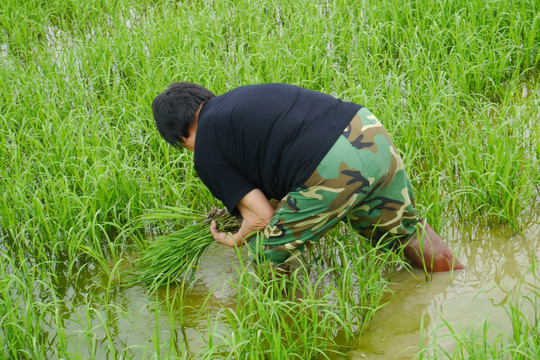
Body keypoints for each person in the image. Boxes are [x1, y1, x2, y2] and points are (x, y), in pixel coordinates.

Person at [151, 82, 464, 273]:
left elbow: (262, 216)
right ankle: (455, 285)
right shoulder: (239, 101)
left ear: (180, 137)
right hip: (367, 132)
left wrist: (235, 237)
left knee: (266, 255)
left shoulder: (204, 149)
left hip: (331, 167)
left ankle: (285, 334)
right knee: (405, 232)